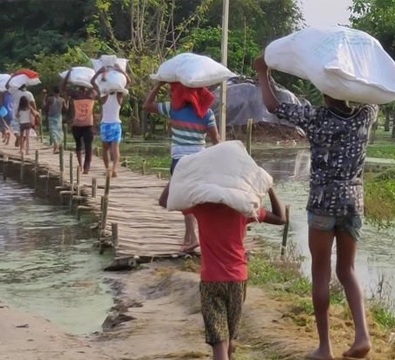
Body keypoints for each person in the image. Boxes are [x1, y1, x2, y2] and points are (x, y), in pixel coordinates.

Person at [253, 54, 377, 360]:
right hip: (353, 201)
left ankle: (325, 347)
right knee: (347, 270)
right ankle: (361, 335)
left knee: (320, 273)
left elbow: (273, 105)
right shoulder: (366, 116)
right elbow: (375, 94)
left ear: (323, 91)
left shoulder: (316, 118)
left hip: (322, 202)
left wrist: (262, 72)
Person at [159, 183, 286, 360]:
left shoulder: (202, 208)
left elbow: (164, 201)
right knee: (229, 339)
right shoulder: (243, 209)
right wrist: (270, 187)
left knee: (219, 344)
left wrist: (178, 176)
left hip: (212, 281)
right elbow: (281, 218)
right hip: (238, 280)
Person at [143, 81, 221, 253]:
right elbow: (216, 141)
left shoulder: (174, 109)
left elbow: (147, 105)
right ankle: (190, 236)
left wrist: (157, 86)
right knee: (182, 198)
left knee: (175, 199)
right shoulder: (207, 114)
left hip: (180, 162)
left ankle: (193, 236)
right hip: (200, 161)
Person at [91, 66, 131, 178]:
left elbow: (93, 82)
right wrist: (120, 70)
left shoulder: (103, 97)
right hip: (116, 124)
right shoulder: (119, 97)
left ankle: (107, 168)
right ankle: (114, 169)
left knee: (105, 149)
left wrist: (98, 72)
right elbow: (128, 82)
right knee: (115, 149)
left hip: (105, 125)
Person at [61, 68, 97, 174]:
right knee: (87, 147)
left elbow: (63, 87)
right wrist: (97, 75)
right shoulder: (91, 94)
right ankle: (85, 167)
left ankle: (83, 166)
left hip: (79, 124)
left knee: (80, 146)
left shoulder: (76, 95)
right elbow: (96, 86)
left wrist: (68, 73)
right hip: (87, 124)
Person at [5, 77, 37, 148]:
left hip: (16, 114)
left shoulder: (14, 92)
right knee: (25, 131)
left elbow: (6, 87)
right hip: (26, 115)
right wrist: (35, 114)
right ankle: (22, 143)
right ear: (25, 86)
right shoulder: (29, 94)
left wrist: (11, 78)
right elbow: (33, 104)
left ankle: (18, 137)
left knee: (15, 129)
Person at [45, 86, 67, 154]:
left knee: (53, 132)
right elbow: (66, 109)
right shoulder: (62, 100)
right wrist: (68, 100)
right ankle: (58, 145)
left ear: (53, 92)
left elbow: (45, 107)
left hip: (51, 117)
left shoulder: (50, 99)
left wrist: (43, 98)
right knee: (59, 131)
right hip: (58, 117)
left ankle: (56, 145)